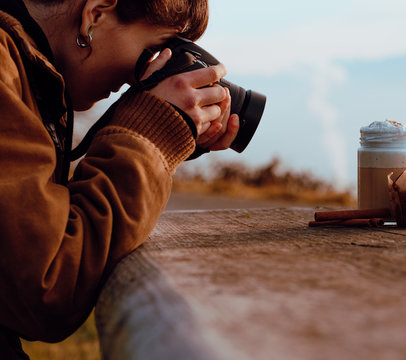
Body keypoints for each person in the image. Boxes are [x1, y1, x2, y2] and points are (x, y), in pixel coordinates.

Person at [0, 0, 239, 358]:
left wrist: (172, 139)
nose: (141, 78)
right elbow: (47, 284)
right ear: (95, 13)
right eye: (151, 53)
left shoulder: (24, 68)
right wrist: (149, 140)